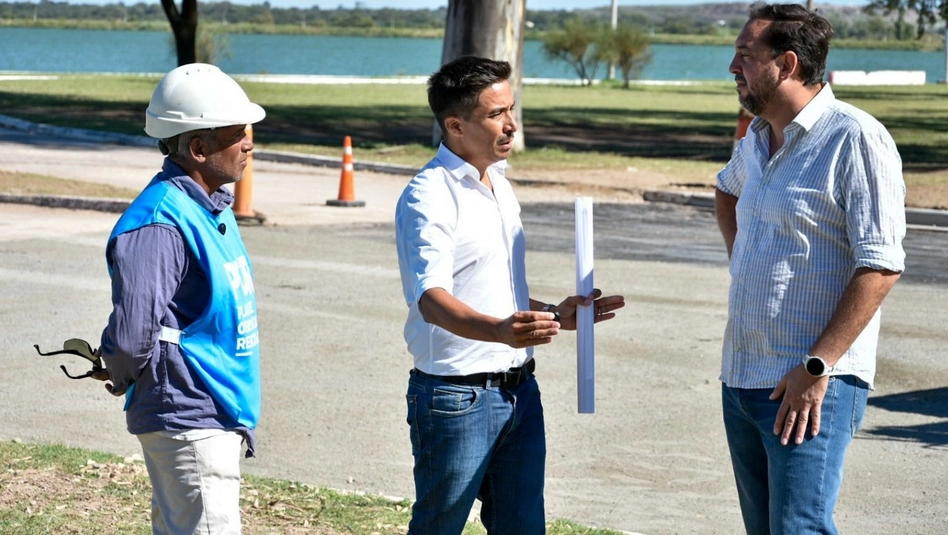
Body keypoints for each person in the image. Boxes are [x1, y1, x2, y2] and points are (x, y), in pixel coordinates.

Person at [394, 55, 624, 535]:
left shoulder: (499, 184)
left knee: (522, 527)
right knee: (438, 527)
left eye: (511, 109)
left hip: (520, 392)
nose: (511, 124)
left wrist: (554, 314)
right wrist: (500, 331)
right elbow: (431, 298)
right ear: (455, 125)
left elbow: (498, 289)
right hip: (456, 398)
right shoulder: (429, 195)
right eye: (495, 114)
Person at [715, 4, 906, 534]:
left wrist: (817, 367)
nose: (733, 68)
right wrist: (747, 264)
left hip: (811, 384)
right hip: (742, 376)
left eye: (745, 57)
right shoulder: (757, 136)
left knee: (799, 529)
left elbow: (881, 264)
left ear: (788, 63)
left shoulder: (856, 139)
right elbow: (726, 192)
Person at [95, 63, 265, 535]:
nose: (250, 142)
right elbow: (132, 336)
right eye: (238, 133)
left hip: (209, 407)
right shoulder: (161, 222)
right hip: (188, 414)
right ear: (198, 147)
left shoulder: (207, 207)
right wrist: (117, 366)